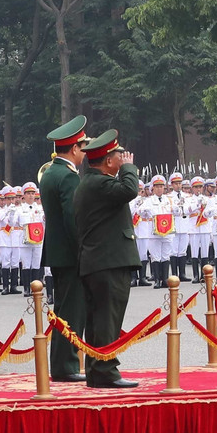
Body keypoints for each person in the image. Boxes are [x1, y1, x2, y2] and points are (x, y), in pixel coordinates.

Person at [73, 130, 140, 388]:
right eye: (118, 156)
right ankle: (105, 370)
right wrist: (129, 168)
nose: (122, 159)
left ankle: (97, 369)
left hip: (100, 262)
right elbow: (129, 189)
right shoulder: (99, 183)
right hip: (107, 262)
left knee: (99, 319)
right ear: (108, 161)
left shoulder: (92, 182)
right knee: (107, 320)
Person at [40, 115, 91, 383]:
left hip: (58, 252)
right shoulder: (69, 177)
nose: (84, 152)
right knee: (72, 311)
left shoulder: (50, 172)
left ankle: (62, 365)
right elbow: (74, 219)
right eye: (83, 147)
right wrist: (84, 250)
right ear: (74, 148)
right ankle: (66, 366)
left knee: (63, 310)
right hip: (71, 254)